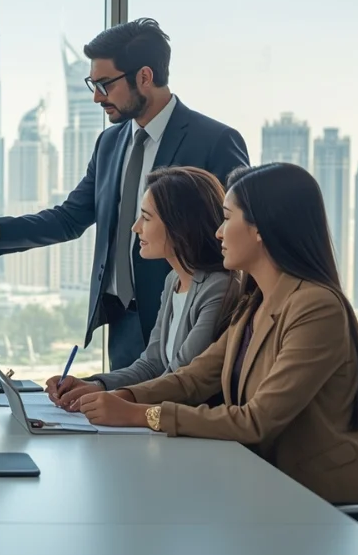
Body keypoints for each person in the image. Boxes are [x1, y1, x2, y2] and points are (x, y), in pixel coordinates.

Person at [73, 163, 358, 505]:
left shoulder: (316, 308)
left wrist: (140, 414)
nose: (218, 232)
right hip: (270, 489)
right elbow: (194, 378)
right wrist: (124, 396)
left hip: (332, 503)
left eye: (227, 218)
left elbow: (256, 420)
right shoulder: (256, 302)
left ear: (260, 229)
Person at [0, 18, 249, 370]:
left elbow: (241, 229)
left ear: (144, 77)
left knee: (179, 404)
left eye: (104, 84)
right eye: (92, 84)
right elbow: (70, 217)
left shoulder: (214, 141)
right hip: (121, 320)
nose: (96, 96)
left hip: (190, 315)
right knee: (118, 403)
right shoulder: (110, 143)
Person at [45, 166, 235, 411]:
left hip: (187, 423)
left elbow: (180, 378)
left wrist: (117, 399)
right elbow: (151, 365)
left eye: (146, 217)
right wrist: (95, 385)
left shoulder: (218, 288)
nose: (136, 227)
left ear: (180, 224)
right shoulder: (173, 281)